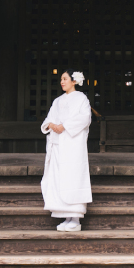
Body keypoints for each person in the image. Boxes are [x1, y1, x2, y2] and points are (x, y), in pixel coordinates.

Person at [40, 69, 93, 232]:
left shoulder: (81, 99)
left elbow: (85, 118)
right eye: (61, 79)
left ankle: (75, 218)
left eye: (65, 79)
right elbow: (49, 118)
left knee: (74, 178)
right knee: (58, 178)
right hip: (58, 144)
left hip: (73, 145)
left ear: (74, 81)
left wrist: (65, 126)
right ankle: (66, 216)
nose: (62, 82)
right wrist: (51, 125)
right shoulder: (57, 101)